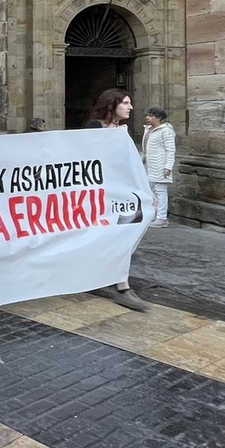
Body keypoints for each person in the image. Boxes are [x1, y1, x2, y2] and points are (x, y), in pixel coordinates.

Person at [87, 88, 151, 312]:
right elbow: (86, 158)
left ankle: (113, 281)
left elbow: (128, 164)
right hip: (100, 194)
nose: (130, 107)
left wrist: (144, 190)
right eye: (125, 103)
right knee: (111, 236)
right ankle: (121, 287)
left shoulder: (122, 130)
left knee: (123, 235)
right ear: (111, 104)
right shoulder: (96, 127)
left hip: (120, 192)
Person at [142, 106, 176, 229]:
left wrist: (168, 166)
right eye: (148, 115)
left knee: (160, 190)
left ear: (159, 118)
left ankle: (162, 217)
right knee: (151, 190)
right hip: (149, 164)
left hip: (159, 164)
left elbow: (170, 150)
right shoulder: (148, 129)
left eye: (151, 116)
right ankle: (155, 214)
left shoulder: (166, 131)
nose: (148, 118)